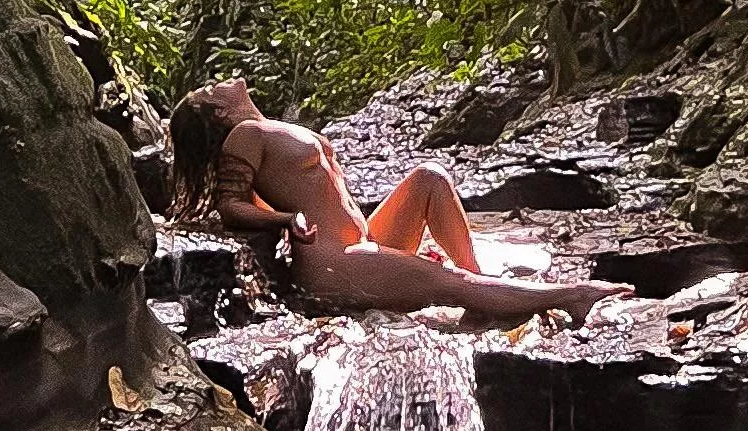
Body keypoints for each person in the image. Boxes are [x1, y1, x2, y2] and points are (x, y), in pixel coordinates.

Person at [166, 78, 624, 323]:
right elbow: (229, 206)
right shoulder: (244, 136)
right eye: (211, 88)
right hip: (335, 262)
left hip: (366, 240)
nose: (221, 80)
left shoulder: (269, 129)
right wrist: (286, 219)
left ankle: (483, 286)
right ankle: (570, 297)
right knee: (446, 280)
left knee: (429, 177)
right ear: (219, 112)